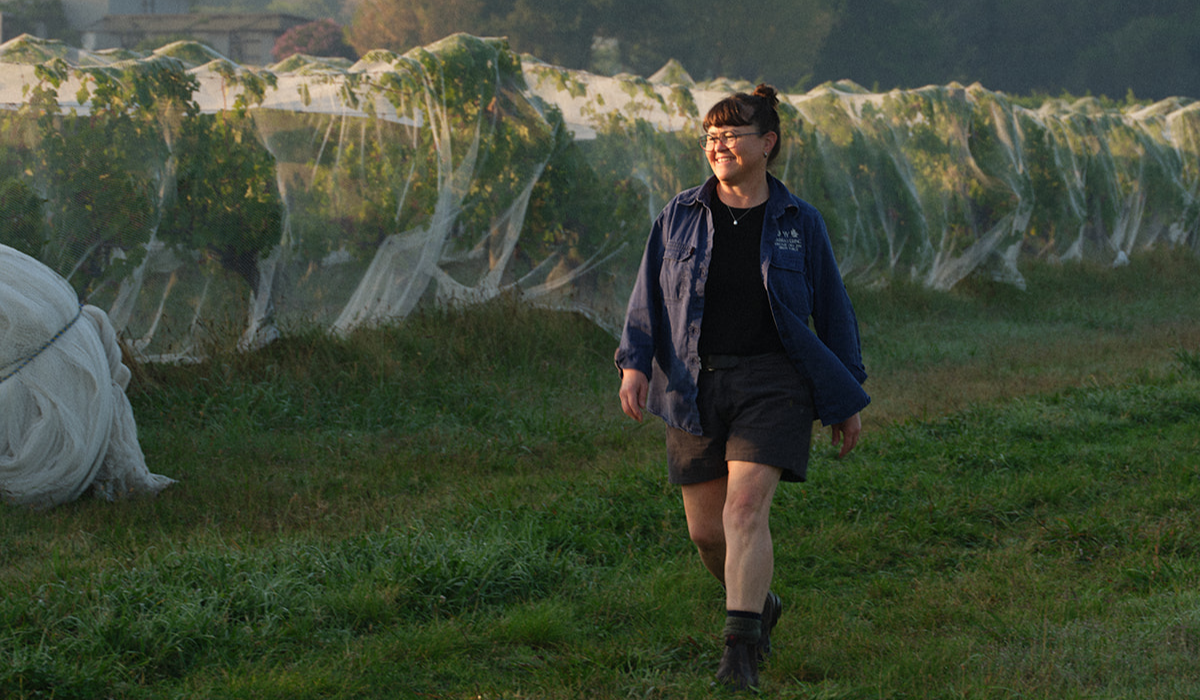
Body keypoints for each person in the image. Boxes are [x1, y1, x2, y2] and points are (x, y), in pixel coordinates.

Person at [614, 84, 870, 691]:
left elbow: (833, 309)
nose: (719, 144)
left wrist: (846, 393)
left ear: (767, 144)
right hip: (692, 382)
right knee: (707, 534)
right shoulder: (678, 215)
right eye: (711, 135)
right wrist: (635, 363)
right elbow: (647, 294)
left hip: (774, 381)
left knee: (745, 509)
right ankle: (760, 607)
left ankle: (739, 651)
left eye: (731, 134)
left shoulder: (798, 222)